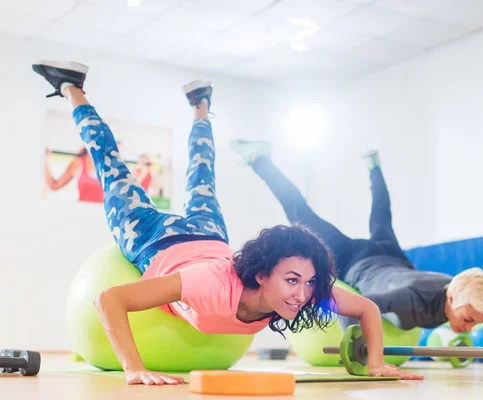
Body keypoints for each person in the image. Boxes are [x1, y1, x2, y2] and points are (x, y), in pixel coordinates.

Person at [32, 60, 424, 386]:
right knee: (111, 167)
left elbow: (368, 309)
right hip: (153, 239)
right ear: (261, 276)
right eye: (292, 280)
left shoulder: (302, 292)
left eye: (308, 282)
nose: (303, 294)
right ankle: (72, 87)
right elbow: (109, 298)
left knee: (203, 172)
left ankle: (200, 105)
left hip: (208, 234)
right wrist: (135, 369)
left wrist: (375, 363)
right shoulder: (209, 285)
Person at [229, 141, 483, 373]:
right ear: (453, 297)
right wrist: (361, 351)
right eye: (468, 320)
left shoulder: (465, 299)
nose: (470, 327)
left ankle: (373, 165)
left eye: (474, 323)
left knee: (382, 215)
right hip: (356, 260)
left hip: (393, 258)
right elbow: (359, 310)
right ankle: (259, 158)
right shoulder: (407, 298)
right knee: (300, 213)